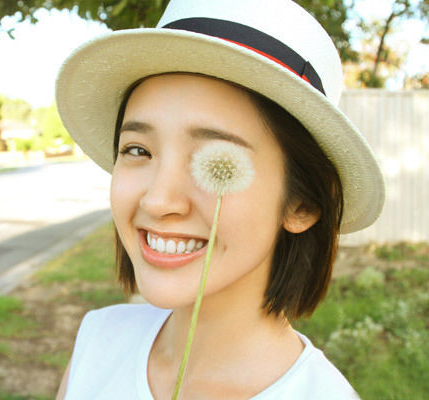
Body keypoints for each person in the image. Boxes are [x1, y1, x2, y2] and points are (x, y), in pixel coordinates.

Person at [54, 0, 385, 398]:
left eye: (216, 160)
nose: (158, 201)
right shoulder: (97, 341)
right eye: (138, 150)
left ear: (302, 204)